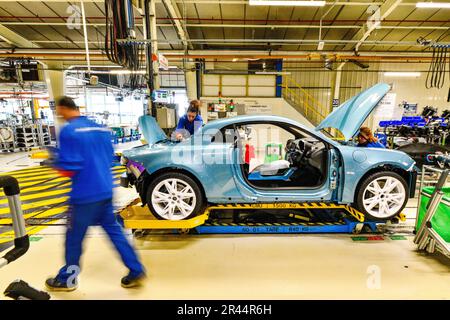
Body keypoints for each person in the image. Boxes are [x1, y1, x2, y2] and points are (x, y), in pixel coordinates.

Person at [45, 96, 145, 292]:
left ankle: (67, 279)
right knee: (116, 233)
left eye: (59, 111)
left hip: (84, 196)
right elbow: (110, 159)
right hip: (105, 191)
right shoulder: (100, 129)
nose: (59, 115)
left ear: (64, 109)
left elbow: (70, 167)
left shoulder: (69, 131)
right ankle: (136, 269)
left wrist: (53, 160)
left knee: (74, 239)